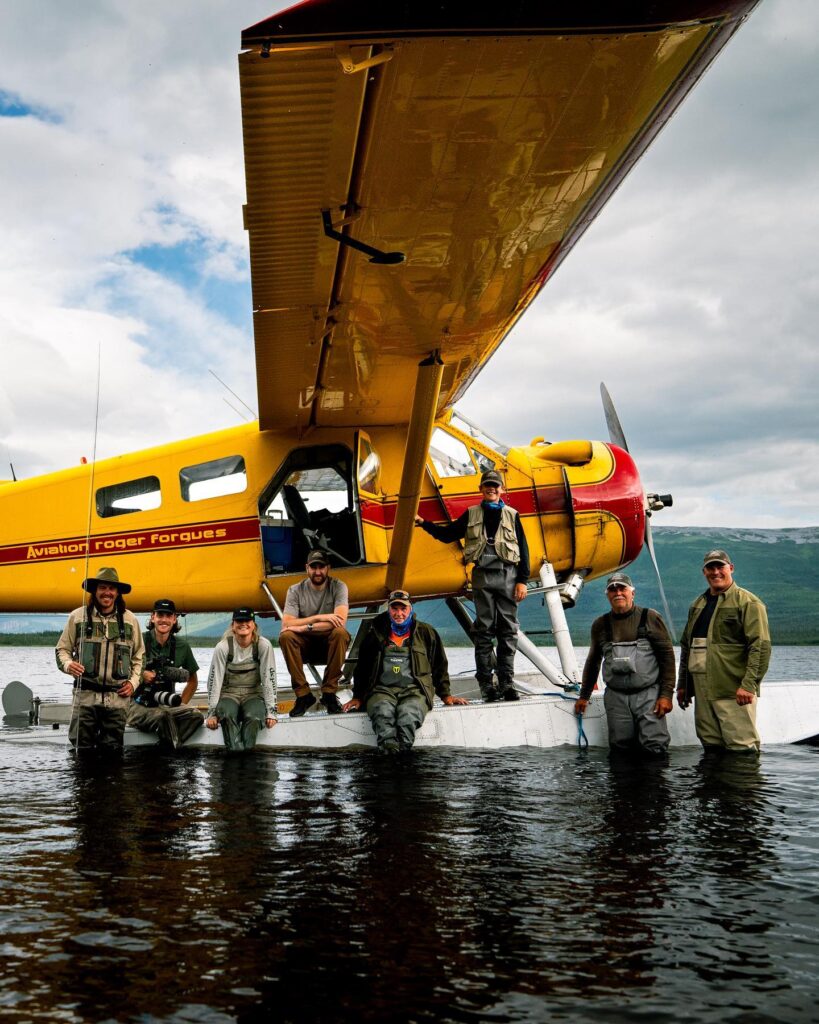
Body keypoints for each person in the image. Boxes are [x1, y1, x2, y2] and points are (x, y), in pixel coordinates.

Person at [415, 468, 529, 702]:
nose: (491, 489)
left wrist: (522, 581)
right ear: (481, 489)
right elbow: (448, 535)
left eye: (495, 486)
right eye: (487, 485)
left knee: (508, 630)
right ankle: (486, 685)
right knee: (484, 630)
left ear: (501, 490)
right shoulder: (471, 514)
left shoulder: (513, 515)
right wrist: (423, 523)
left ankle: (507, 683)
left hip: (508, 575)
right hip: (482, 576)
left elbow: (524, 550)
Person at [342, 590, 468, 753]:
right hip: (381, 690)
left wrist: (446, 695)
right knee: (382, 712)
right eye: (394, 609)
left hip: (415, 690)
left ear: (410, 609)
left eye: (403, 608)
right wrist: (358, 697)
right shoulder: (374, 635)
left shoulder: (426, 632)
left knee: (408, 714)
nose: (399, 613)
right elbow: (362, 669)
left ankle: (402, 755)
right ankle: (389, 750)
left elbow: (440, 665)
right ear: (388, 609)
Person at [677, 550, 771, 753]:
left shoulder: (748, 602)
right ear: (704, 572)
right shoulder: (697, 604)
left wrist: (749, 685)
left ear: (731, 568)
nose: (716, 572)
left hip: (733, 690)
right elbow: (686, 646)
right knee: (710, 745)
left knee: (741, 747)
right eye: (710, 568)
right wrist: (683, 685)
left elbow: (760, 646)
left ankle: (744, 775)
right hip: (702, 691)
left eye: (720, 566)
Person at [574, 572, 675, 755]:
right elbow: (593, 661)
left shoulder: (650, 617)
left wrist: (666, 695)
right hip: (615, 697)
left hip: (648, 695)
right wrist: (584, 696)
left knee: (655, 746)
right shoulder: (600, 624)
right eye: (613, 590)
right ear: (607, 595)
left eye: (622, 588)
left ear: (632, 593)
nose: (618, 593)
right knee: (620, 748)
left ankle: (655, 775)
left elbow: (667, 658)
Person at [55, 565, 145, 752]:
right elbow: (61, 650)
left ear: (118, 593)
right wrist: (68, 664)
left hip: (118, 700)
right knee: (81, 753)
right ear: (94, 591)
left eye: (111, 588)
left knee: (113, 754)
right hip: (85, 699)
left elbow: (140, 657)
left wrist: (133, 683)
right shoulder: (77, 617)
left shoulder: (130, 620)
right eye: (102, 587)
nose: (107, 592)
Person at [279, 549, 351, 717]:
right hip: (305, 646)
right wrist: (320, 617)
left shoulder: (339, 586)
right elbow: (287, 624)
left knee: (340, 633)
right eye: (313, 567)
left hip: (329, 645)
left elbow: (339, 621)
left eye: (321, 567)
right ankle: (303, 695)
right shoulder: (295, 590)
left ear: (328, 568)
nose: (317, 572)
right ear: (307, 568)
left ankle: (329, 694)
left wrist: (304, 627)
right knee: (286, 636)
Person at [128, 598, 204, 750]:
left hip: (165, 702)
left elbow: (193, 681)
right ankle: (174, 750)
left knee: (196, 716)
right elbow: (120, 670)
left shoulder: (182, 646)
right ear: (153, 617)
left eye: (168, 616)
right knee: (162, 716)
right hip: (136, 703)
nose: (164, 620)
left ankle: (167, 748)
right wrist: (142, 674)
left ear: (174, 619)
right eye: (160, 615)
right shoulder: (138, 640)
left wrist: (181, 703)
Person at [206, 608, 277, 751]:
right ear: (233, 625)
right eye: (239, 621)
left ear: (254, 625)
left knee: (254, 717)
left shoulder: (263, 645)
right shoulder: (222, 647)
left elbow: (269, 679)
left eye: (247, 620)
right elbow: (214, 681)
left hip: (253, 694)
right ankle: (235, 753)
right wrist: (212, 713)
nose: (243, 624)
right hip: (228, 694)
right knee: (226, 715)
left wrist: (271, 711)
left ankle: (248, 753)